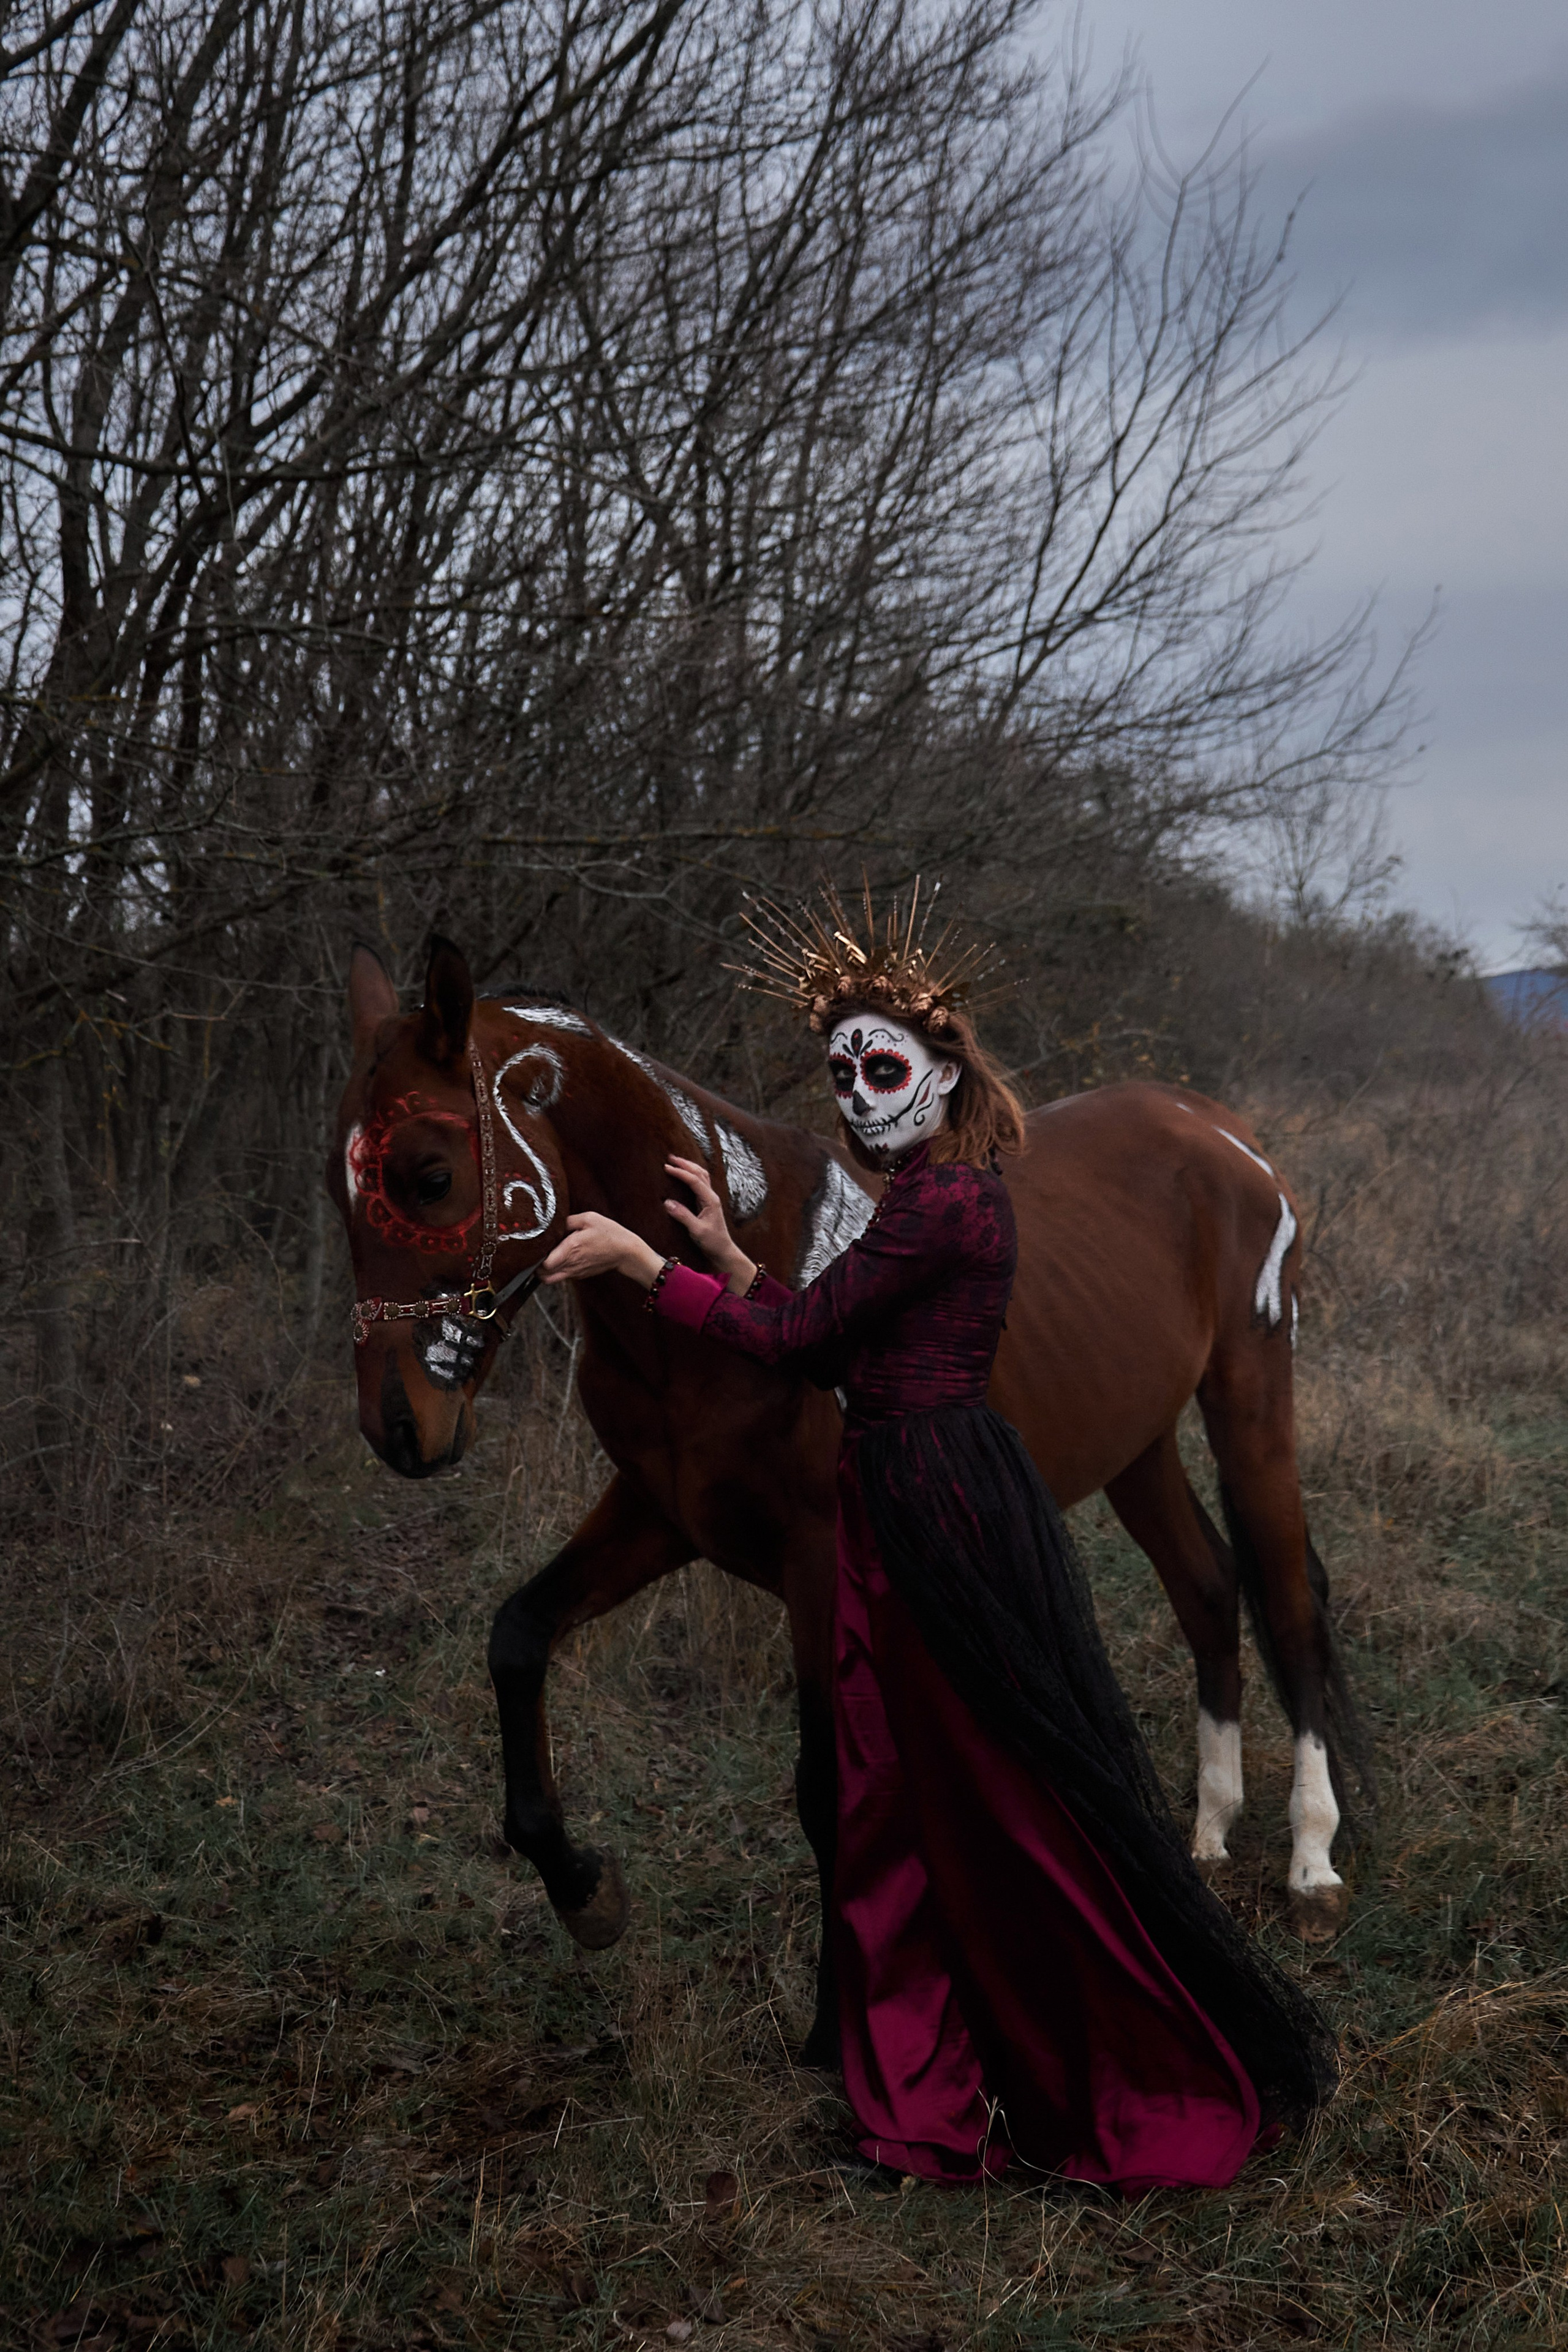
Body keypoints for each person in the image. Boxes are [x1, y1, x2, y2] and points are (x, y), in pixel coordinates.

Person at [541, 881, 1336, 2193]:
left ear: (940, 1073)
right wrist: (720, 1251)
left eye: (881, 1065)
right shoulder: (924, 1199)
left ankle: (995, 2076)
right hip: (905, 1490)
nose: (855, 1090)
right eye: (839, 1068)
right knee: (912, 1786)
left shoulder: (945, 1205)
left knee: (962, 1790)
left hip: (934, 1502)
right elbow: (836, 1323)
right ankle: (919, 2074)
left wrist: (643, 1269)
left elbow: (802, 1348)